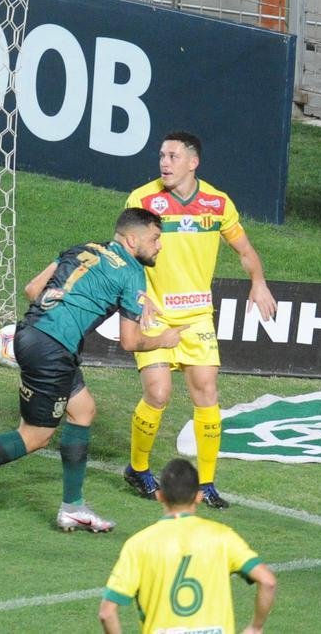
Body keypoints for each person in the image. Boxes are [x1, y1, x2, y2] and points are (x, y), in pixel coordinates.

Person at [0, 208, 186, 532]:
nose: (159, 245)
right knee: (34, 437)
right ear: (133, 239)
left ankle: (72, 507)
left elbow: (33, 290)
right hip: (53, 351)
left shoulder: (85, 249)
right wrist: (165, 339)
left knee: (83, 410)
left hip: (32, 335)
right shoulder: (132, 272)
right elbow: (130, 342)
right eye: (155, 238)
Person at [123, 132, 276, 510]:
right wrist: (137, 300)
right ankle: (137, 468)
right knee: (158, 393)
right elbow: (126, 255)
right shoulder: (143, 200)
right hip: (155, 313)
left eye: (173, 156)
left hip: (196, 315)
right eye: (161, 155)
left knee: (206, 392)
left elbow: (244, 249)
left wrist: (258, 282)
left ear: (193, 162)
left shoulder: (217, 204)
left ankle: (206, 483)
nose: (164, 162)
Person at [99, 458, 277, 634]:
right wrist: (255, 627)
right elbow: (267, 581)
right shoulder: (223, 537)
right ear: (199, 497)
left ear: (160, 495)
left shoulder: (139, 544)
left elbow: (107, 613)